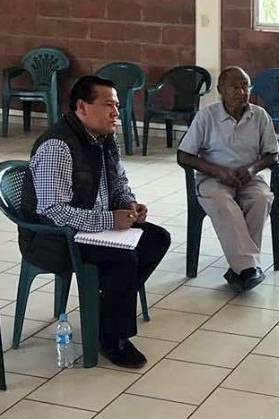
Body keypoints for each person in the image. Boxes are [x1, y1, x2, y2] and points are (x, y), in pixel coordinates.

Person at [19, 75, 171, 369]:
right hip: (55, 238)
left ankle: (103, 310)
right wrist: (109, 220)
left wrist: (129, 204)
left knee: (156, 239)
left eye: (117, 105)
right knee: (123, 258)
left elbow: (119, 183)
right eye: (108, 105)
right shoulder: (58, 146)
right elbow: (54, 211)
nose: (116, 112)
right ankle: (112, 338)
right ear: (82, 107)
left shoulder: (104, 137)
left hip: (92, 229)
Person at [177, 66, 279, 292]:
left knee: (262, 199)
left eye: (246, 86)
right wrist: (219, 172)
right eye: (235, 87)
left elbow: (272, 154)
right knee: (223, 203)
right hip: (214, 178)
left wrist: (252, 169)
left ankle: (241, 268)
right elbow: (183, 155)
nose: (242, 92)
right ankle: (248, 268)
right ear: (221, 89)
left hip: (248, 178)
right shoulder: (206, 116)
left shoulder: (259, 115)